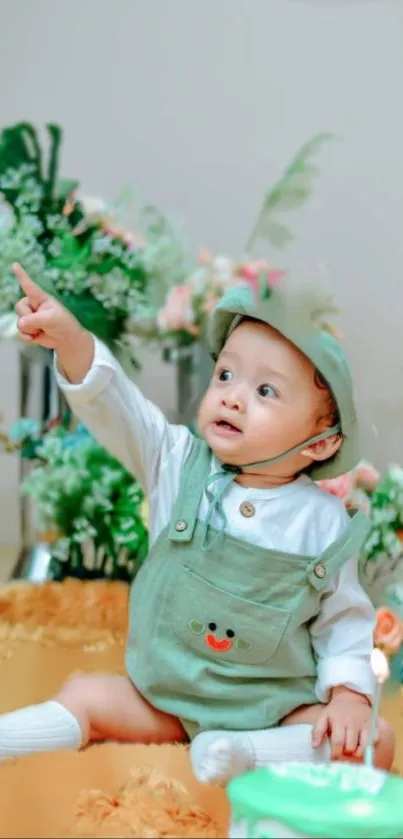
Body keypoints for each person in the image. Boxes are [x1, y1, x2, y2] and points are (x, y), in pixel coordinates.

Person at [0, 263, 394, 785]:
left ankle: (244, 752)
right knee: (85, 694)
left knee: (373, 738)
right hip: (164, 699)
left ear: (320, 442)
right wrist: (72, 341)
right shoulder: (176, 460)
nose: (231, 396)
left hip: (274, 710)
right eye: (226, 375)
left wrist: (348, 694)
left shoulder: (322, 522)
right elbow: (117, 406)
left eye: (266, 392)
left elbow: (344, 622)